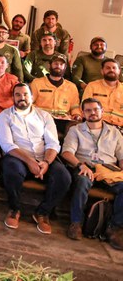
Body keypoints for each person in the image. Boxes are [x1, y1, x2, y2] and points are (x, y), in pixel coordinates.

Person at [0, 84, 71, 235]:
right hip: (18, 158)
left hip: (44, 158)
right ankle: (14, 209)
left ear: (31, 97)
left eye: (25, 94)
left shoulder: (44, 116)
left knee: (64, 177)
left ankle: (42, 213)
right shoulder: (4, 116)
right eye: (18, 95)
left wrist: (46, 162)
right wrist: (30, 161)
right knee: (12, 170)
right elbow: (7, 145)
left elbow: (53, 143)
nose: (22, 97)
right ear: (13, 98)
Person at [61, 98, 123, 248]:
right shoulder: (75, 130)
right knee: (82, 182)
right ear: (83, 113)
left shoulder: (114, 132)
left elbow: (122, 157)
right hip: (85, 166)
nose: (92, 113)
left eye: (95, 109)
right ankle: (76, 223)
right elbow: (67, 153)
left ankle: (114, 228)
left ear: (102, 111)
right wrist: (80, 165)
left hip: (108, 170)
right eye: (88, 110)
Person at [30, 54, 82, 122]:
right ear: (49, 65)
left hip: (64, 121)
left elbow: (75, 107)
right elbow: (29, 103)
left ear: (65, 67)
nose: (58, 66)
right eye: (55, 63)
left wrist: (76, 115)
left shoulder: (71, 87)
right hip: (41, 119)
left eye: (61, 64)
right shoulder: (37, 83)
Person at [82, 58, 123, 127]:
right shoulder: (92, 86)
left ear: (119, 71)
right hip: (97, 124)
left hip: (119, 126)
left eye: (114, 68)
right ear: (102, 71)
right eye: (108, 68)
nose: (111, 70)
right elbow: (84, 107)